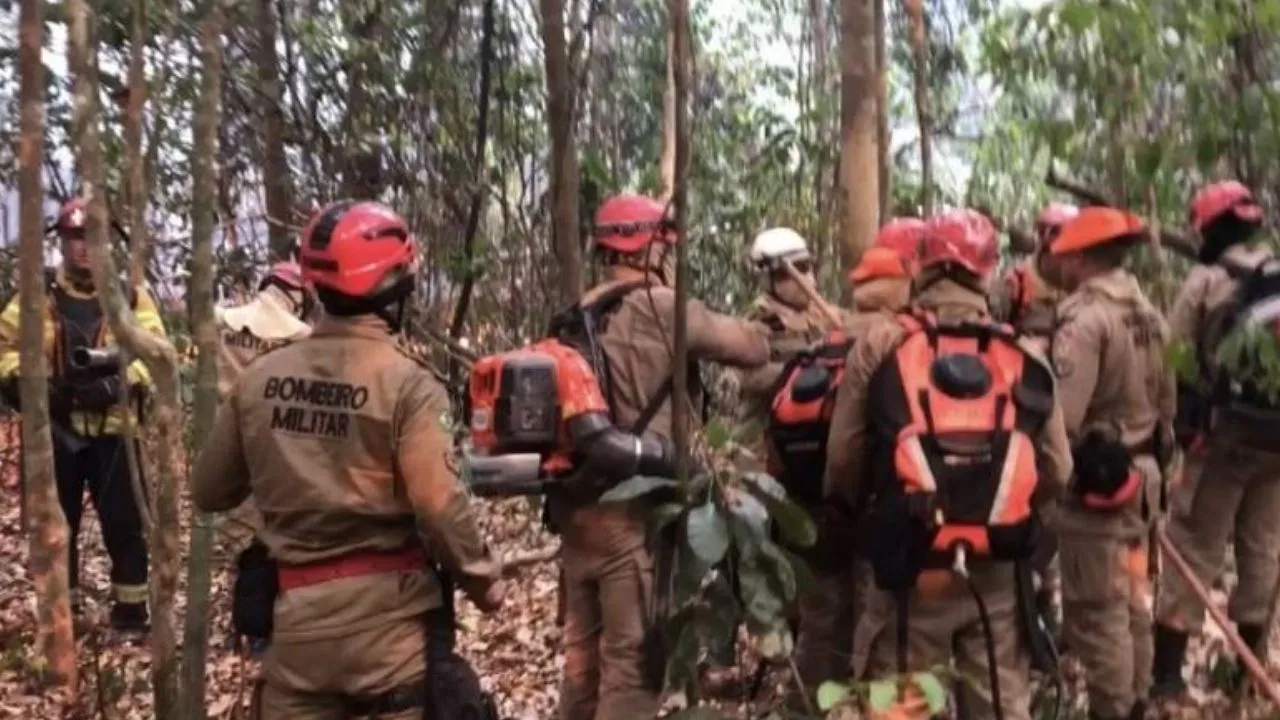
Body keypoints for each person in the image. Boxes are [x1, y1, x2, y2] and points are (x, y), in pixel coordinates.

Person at [191, 200, 504, 719]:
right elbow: (438, 502)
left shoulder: (260, 380)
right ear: (393, 289)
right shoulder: (409, 385)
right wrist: (483, 580)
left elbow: (209, 490)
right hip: (392, 642)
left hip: (296, 638)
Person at [825, 209, 1072, 720]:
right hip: (998, 568)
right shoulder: (1024, 353)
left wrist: (867, 516)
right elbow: (1059, 470)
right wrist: (1003, 510)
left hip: (910, 565)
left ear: (922, 266)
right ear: (987, 273)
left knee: (906, 703)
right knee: (1000, 703)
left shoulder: (882, 344)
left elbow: (843, 459)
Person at [556, 193, 769, 720]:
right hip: (632, 514)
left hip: (574, 509)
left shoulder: (576, 313)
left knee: (582, 661)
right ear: (652, 249)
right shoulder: (659, 305)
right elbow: (748, 348)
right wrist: (767, 329)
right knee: (633, 663)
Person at [0, 197, 166, 633]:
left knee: (124, 526)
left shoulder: (130, 294)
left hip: (116, 432)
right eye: (75, 238)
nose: (83, 248)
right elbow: (5, 349)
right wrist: (33, 385)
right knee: (59, 527)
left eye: (92, 238)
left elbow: (157, 353)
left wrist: (119, 383)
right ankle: (63, 618)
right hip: (57, 431)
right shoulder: (37, 294)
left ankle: (131, 616)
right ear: (62, 242)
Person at [1152, 180, 1279, 700]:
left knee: (1193, 545)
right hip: (1278, 441)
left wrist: (1175, 429)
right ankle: (1251, 675)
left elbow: (1172, 359)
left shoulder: (1207, 280)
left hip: (1224, 441)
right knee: (1264, 546)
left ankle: (1166, 679)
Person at [786, 218, 924, 696]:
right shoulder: (901, 341)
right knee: (875, 627)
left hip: (813, 505)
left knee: (820, 624)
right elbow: (851, 444)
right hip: (873, 504)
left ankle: (802, 706)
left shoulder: (823, 342)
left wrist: (827, 502)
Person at [1046, 207, 1174, 720]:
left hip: (1099, 492)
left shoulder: (1085, 319)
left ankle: (1113, 710)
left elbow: (1063, 418)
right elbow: (1170, 408)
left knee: (1099, 613)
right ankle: (1138, 699)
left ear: (1079, 260)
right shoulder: (1151, 314)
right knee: (1134, 602)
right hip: (1144, 481)